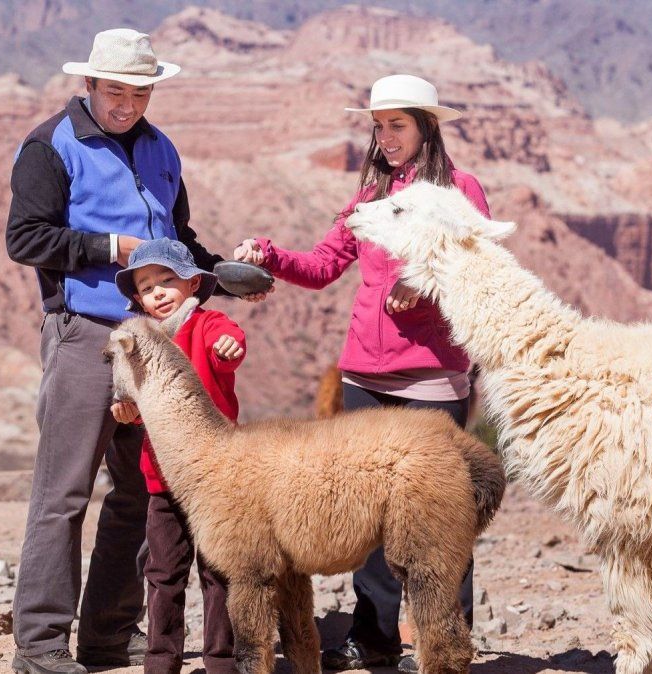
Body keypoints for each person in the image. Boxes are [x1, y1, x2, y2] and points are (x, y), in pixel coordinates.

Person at [232, 74, 489, 673]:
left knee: (439, 518)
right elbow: (324, 265)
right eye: (378, 125)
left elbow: (474, 265)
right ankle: (373, 639)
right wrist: (268, 255)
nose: (385, 136)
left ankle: (446, 645)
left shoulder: (461, 190)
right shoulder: (369, 194)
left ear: (427, 127)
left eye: (397, 124)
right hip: (364, 377)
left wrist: (418, 285)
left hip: (431, 378)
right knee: (367, 516)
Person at [4, 28, 231, 674]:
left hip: (155, 344)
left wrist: (222, 274)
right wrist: (113, 250)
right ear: (90, 85)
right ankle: (41, 646)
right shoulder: (51, 146)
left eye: (139, 93)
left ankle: (106, 634)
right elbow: (25, 238)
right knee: (64, 491)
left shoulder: (162, 151)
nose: (127, 105)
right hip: (86, 335)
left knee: (140, 491)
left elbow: (175, 240)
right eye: (115, 93)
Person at [111, 238, 246, 674]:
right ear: (139, 300)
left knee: (218, 571)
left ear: (192, 283)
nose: (158, 292)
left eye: (167, 280)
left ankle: (221, 660)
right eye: (147, 288)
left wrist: (230, 348)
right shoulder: (139, 343)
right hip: (163, 479)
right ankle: (160, 660)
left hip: (215, 477)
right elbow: (133, 405)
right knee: (164, 572)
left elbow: (230, 344)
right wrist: (126, 411)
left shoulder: (209, 325)